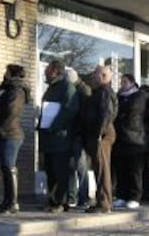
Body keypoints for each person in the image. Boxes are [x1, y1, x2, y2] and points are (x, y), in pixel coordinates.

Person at [0, 64, 30, 214]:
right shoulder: (8, 89)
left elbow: (11, 111)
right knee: (5, 168)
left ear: (12, 74)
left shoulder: (17, 91)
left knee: (9, 167)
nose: (4, 74)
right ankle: (7, 201)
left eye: (6, 71)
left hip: (10, 134)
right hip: (4, 133)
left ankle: (12, 202)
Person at [38, 60, 79, 213]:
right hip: (48, 138)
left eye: (47, 69)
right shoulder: (50, 88)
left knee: (60, 171)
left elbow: (70, 110)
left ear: (55, 70)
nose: (45, 71)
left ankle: (61, 203)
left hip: (61, 138)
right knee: (50, 171)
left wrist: (54, 125)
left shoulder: (67, 87)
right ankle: (52, 201)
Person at [84, 65, 118, 214]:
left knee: (102, 169)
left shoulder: (104, 91)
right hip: (99, 132)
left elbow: (106, 112)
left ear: (103, 76)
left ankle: (104, 203)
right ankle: (101, 201)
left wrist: (99, 133)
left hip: (102, 134)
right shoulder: (99, 92)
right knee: (99, 168)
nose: (92, 77)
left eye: (95, 75)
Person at [112, 74, 149, 209]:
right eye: (121, 82)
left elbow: (133, 110)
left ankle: (135, 196)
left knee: (135, 171)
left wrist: (121, 111)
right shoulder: (119, 96)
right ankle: (121, 195)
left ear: (132, 83)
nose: (122, 84)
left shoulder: (140, 96)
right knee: (121, 170)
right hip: (120, 138)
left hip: (135, 139)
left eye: (125, 82)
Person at [64, 67, 91, 207]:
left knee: (81, 167)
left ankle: (83, 196)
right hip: (72, 132)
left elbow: (85, 115)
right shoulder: (78, 89)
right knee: (71, 166)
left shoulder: (83, 91)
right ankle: (72, 196)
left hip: (79, 134)